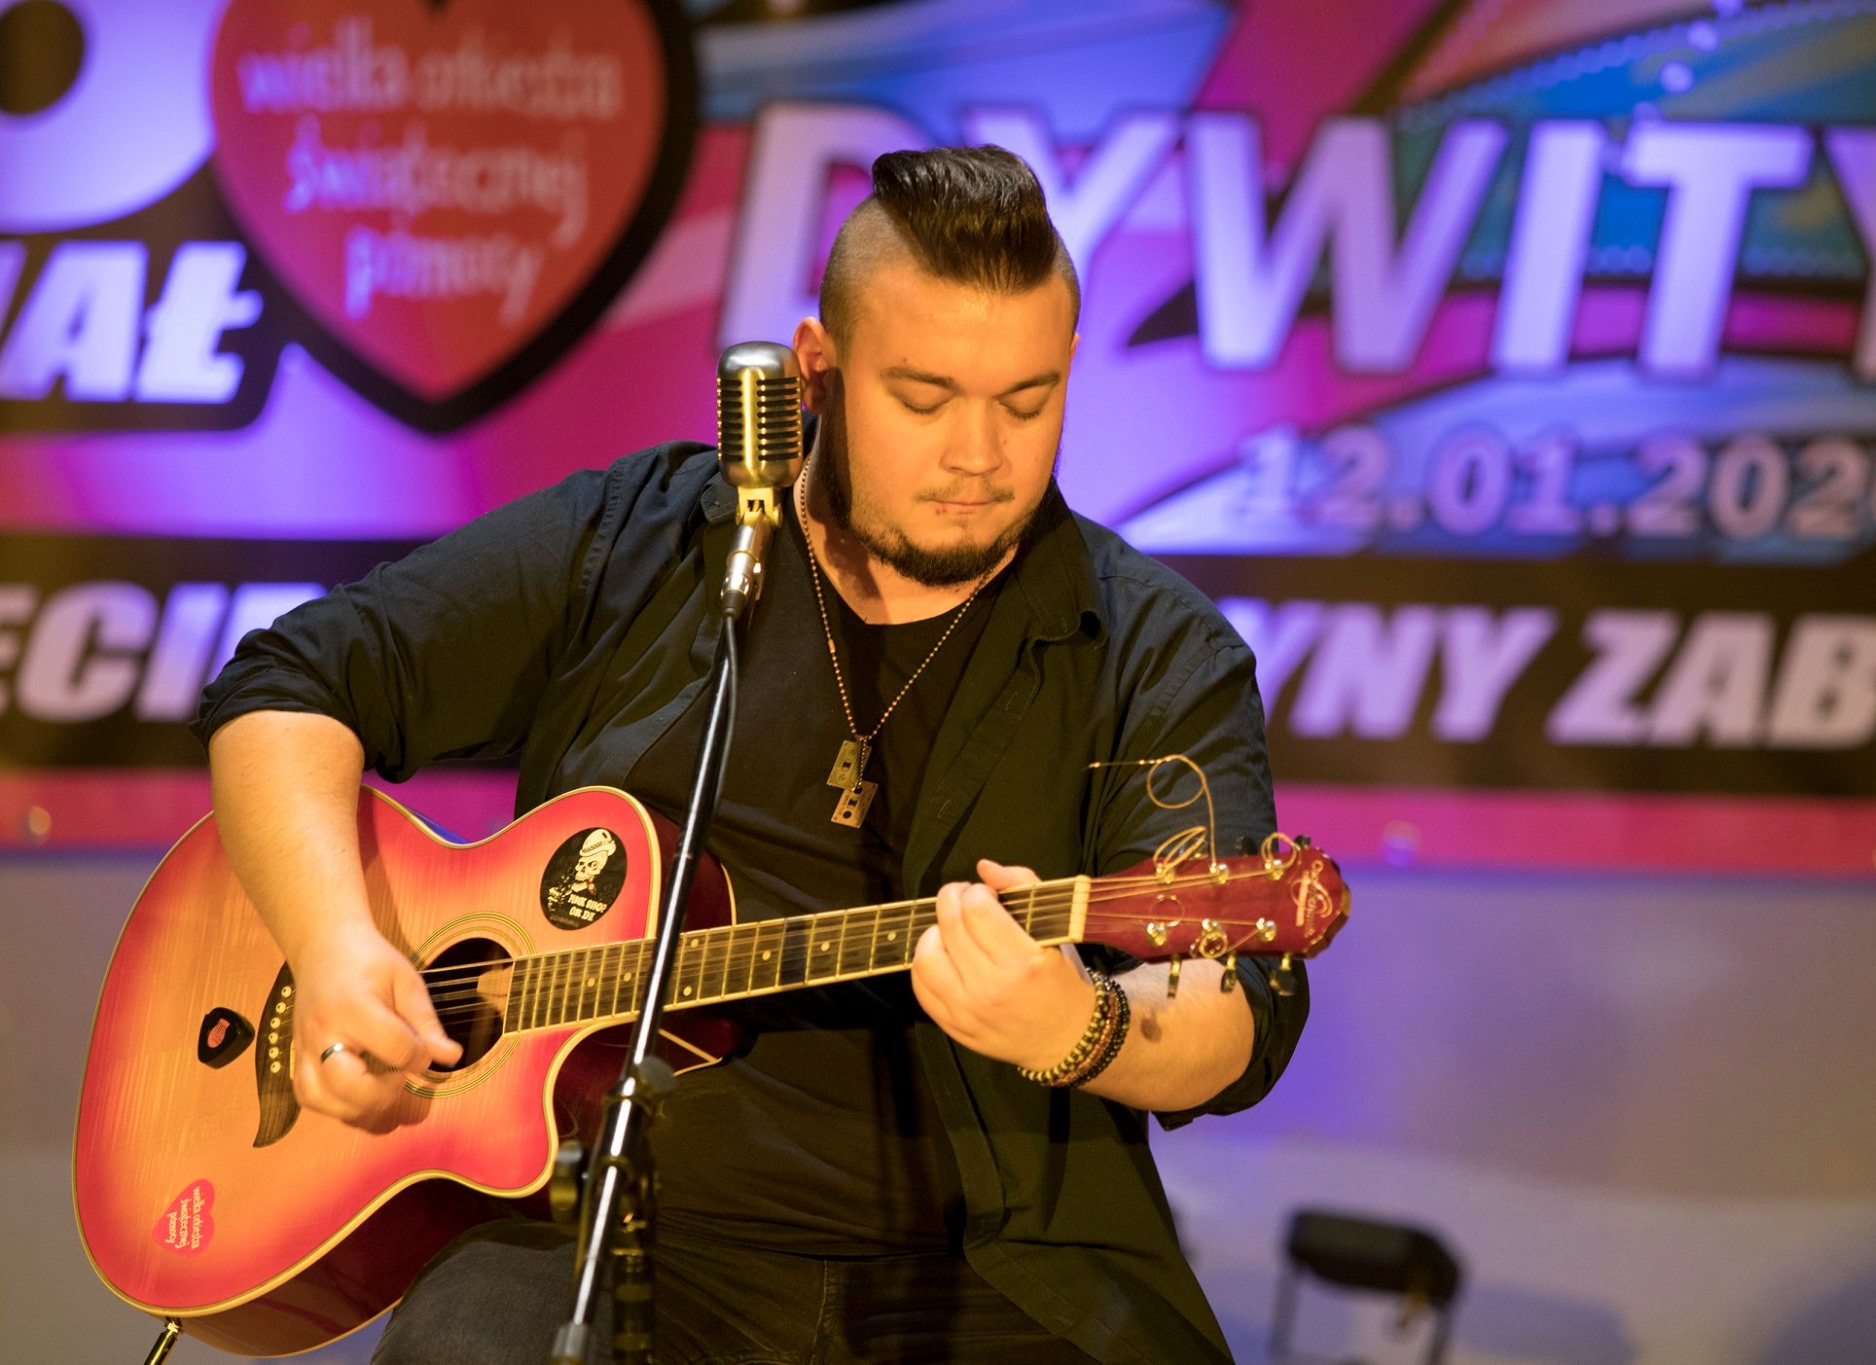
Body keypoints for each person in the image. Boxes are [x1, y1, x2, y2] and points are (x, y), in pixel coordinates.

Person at [196, 146, 1309, 1364]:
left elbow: (1232, 1001)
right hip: (594, 1217)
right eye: (925, 399)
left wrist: (1077, 1027)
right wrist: (335, 946)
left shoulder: (1155, 649)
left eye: (1026, 401)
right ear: (815, 371)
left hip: (989, 1268)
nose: (980, 456)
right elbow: (284, 687)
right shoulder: (636, 542)